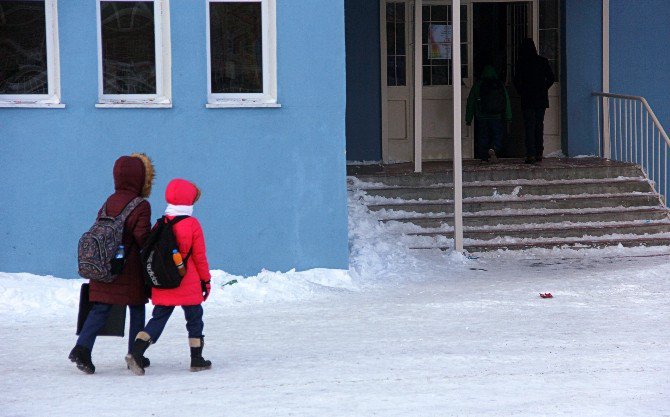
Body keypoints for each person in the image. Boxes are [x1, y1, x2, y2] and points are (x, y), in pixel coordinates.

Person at [69, 153, 154, 374]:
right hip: (128, 269)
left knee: (100, 308)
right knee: (137, 308)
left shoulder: (109, 200)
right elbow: (142, 237)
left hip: (103, 265)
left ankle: (82, 349)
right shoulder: (140, 205)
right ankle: (135, 354)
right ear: (140, 178)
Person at [126, 178, 212, 375]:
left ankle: (137, 351)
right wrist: (205, 280)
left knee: (159, 317)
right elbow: (199, 257)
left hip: (164, 281)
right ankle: (196, 358)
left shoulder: (161, 223)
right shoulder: (192, 224)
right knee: (194, 317)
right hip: (186, 282)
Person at [513, 38, 555, 164]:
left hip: (528, 99)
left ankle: (530, 153)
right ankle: (539, 153)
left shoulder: (522, 63)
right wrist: (543, 88)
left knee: (529, 126)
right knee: (538, 125)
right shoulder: (542, 61)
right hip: (540, 99)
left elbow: (516, 81)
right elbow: (551, 78)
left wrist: (522, 91)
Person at [466, 65, 512, 163]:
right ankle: (494, 148)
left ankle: (483, 157)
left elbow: (471, 102)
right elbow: (506, 101)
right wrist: (509, 116)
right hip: (496, 116)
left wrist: (468, 118)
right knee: (497, 134)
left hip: (481, 116)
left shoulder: (478, 85)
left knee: (483, 136)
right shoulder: (499, 84)